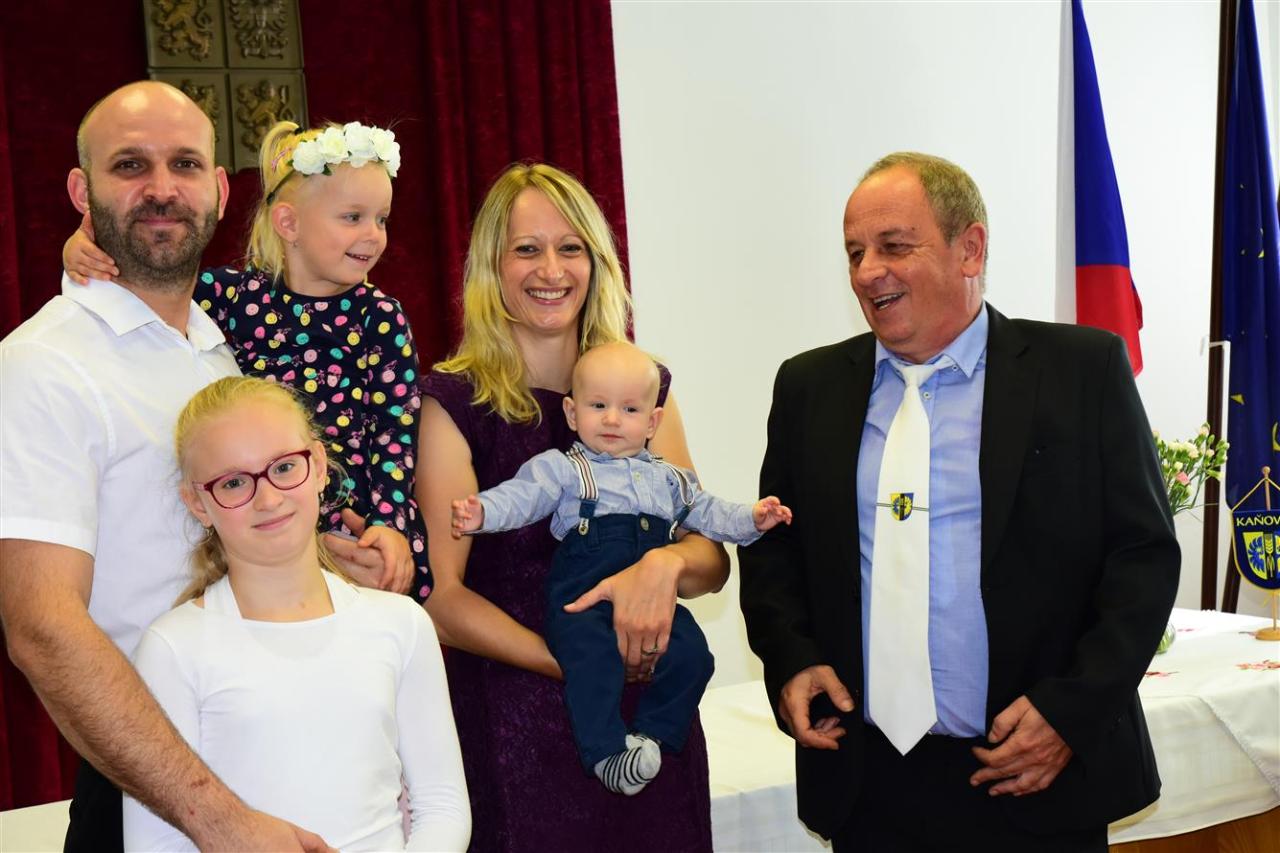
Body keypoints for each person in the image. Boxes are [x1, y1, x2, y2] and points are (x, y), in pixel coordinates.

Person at [738, 152, 1179, 851]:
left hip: (1032, 770)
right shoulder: (808, 387)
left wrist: (1071, 711)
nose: (867, 271)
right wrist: (791, 656)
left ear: (969, 248)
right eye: (854, 252)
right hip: (868, 782)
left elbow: (1142, 557)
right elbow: (775, 546)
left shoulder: (1080, 370)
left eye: (893, 246)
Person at [0, 81, 352, 850]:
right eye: (130, 165)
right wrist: (221, 820)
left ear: (220, 190)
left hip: (280, 765)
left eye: (185, 164)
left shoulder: (217, 353)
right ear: (81, 192)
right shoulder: (42, 365)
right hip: (158, 791)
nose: (162, 188)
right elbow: (42, 627)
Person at [417, 163, 728, 851]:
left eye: (570, 247)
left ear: (597, 261)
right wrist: (576, 663)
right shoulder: (453, 404)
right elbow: (441, 598)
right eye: (526, 249)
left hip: (649, 718)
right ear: (491, 266)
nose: (551, 269)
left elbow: (709, 559)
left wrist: (666, 566)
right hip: (517, 727)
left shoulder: (646, 390)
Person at [63, 118, 428, 600]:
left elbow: (395, 430)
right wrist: (82, 247)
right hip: (256, 516)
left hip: (355, 522)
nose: (373, 235)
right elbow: (149, 284)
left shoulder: (380, 316)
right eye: (352, 217)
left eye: (381, 219)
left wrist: (389, 524)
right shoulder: (231, 296)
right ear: (289, 223)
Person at [122, 376, 469, 851]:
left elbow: (443, 807)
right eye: (234, 483)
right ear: (198, 503)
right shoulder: (173, 648)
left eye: (284, 467)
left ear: (320, 466)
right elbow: (156, 843)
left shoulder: (400, 624)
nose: (268, 499)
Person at [451, 341, 792, 796]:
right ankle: (606, 753)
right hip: (582, 598)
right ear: (572, 414)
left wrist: (752, 518)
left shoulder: (668, 478)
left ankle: (651, 736)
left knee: (694, 656)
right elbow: (522, 496)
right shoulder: (565, 469)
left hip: (652, 602)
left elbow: (708, 513)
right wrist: (482, 512)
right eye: (598, 406)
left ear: (652, 422)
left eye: (629, 409)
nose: (612, 419)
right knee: (592, 660)